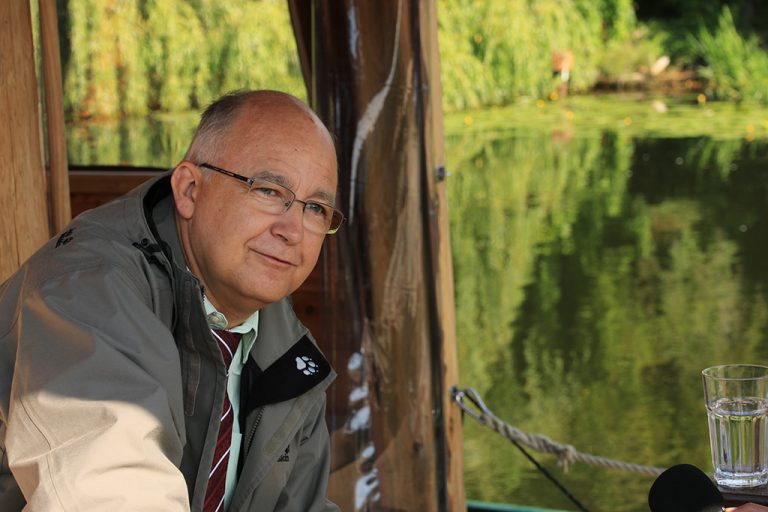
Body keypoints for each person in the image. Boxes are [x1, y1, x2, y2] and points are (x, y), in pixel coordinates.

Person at [0, 90, 343, 511]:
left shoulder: (289, 352)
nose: (293, 230)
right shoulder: (87, 293)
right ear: (190, 190)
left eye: (316, 209)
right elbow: (114, 496)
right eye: (269, 191)